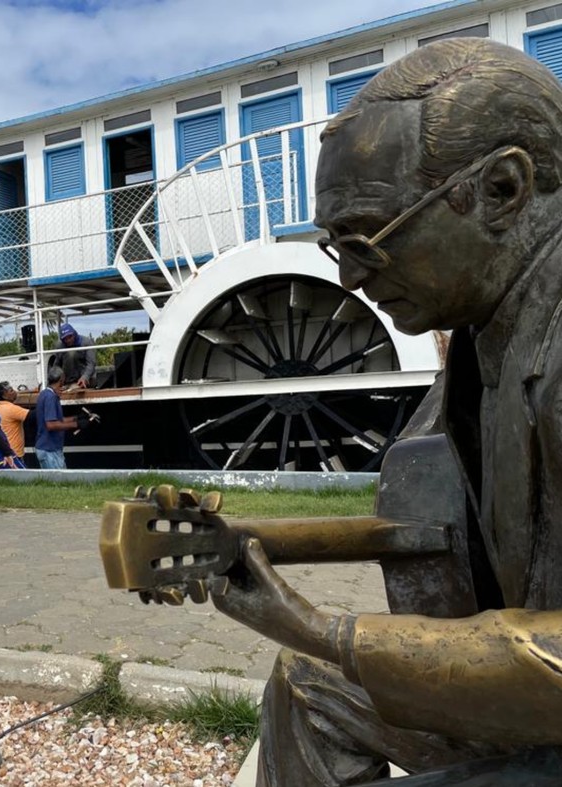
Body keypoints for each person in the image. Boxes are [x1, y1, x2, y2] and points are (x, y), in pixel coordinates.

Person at [199, 39, 562, 785]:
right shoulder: (482, 333)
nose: (352, 277)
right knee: (310, 686)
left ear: (503, 188)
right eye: (336, 247)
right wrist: (247, 541)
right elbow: (430, 533)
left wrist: (322, 626)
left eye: (367, 238)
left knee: (317, 656)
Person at [34, 366, 96, 469]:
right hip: (50, 450)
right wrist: (77, 424)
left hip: (49, 449)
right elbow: (51, 425)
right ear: (61, 380)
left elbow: (58, 420)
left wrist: (77, 418)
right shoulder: (51, 397)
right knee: (58, 483)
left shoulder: (44, 394)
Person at [0, 380, 30, 463]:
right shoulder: (11, 409)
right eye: (11, 390)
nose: (15, 392)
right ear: (5, 396)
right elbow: (31, 415)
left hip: (2, 452)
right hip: (14, 454)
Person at [54, 323, 97, 389]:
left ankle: (78, 383)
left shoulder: (86, 342)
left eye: (70, 337)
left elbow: (91, 364)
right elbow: (57, 364)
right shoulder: (59, 346)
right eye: (65, 338)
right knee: (70, 353)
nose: (68, 340)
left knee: (72, 353)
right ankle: (69, 384)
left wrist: (85, 377)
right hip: (67, 380)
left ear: (74, 334)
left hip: (87, 377)